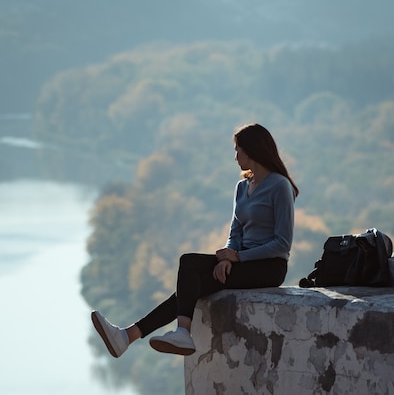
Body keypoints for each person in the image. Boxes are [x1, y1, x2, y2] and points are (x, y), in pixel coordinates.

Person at [91, 123, 299, 357]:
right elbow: (236, 232)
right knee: (191, 284)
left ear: (253, 150)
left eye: (238, 149)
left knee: (190, 263)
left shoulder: (280, 186)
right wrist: (227, 257)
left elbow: (282, 243)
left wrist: (239, 257)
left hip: (269, 267)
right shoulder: (242, 188)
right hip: (242, 262)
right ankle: (128, 337)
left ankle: (171, 333)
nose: (235, 156)